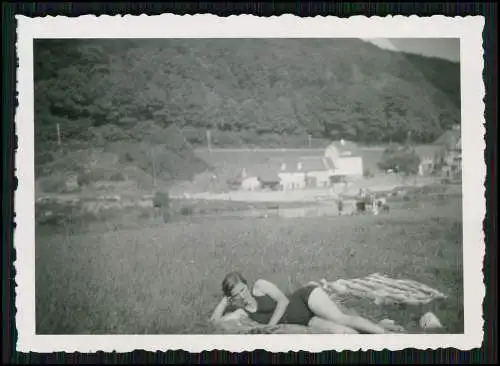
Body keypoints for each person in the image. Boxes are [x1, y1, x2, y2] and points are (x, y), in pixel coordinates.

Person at [210, 271, 388, 334]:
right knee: (344, 333)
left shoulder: (259, 286)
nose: (243, 295)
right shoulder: (242, 311)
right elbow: (214, 322)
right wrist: (225, 300)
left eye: (242, 289)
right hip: (305, 320)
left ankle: (387, 336)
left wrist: (269, 326)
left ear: (246, 285)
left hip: (305, 299)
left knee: (341, 318)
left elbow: (283, 301)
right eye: (237, 294)